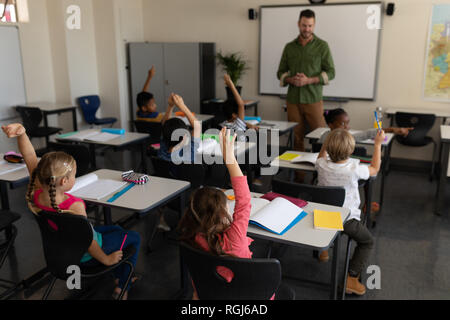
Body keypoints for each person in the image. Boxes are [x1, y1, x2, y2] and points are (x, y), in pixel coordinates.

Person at [1, 123, 141, 300]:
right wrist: (106, 259)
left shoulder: (37, 191)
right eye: (74, 175)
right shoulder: (75, 206)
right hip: (84, 257)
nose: (75, 177)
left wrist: (22, 134)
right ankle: (123, 286)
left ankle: (118, 274)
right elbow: (88, 240)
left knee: (118, 230)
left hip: (59, 253)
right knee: (134, 238)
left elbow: (29, 156)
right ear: (64, 181)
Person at [177, 127, 262, 300]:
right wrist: (230, 159)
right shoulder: (235, 237)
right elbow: (244, 200)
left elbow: (244, 201)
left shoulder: (191, 239)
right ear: (223, 213)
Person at [315, 128, 385, 296]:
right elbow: (375, 168)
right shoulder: (354, 168)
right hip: (346, 220)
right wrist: (377, 145)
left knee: (326, 222)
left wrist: (327, 142)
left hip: (322, 217)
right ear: (352, 150)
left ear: (327, 147)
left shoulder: (321, 164)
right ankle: (352, 278)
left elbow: (320, 156)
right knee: (367, 241)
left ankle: (323, 248)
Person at [277, 9, 335, 157]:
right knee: (296, 139)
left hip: (313, 100)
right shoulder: (289, 47)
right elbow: (280, 72)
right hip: (293, 101)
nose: (307, 29)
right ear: (298, 24)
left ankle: (321, 175)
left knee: (322, 138)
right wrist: (291, 79)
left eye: (310, 26)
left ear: (314, 25)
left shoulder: (322, 46)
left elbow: (331, 72)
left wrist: (309, 80)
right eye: (304, 25)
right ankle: (298, 176)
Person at [319, 108, 413, 143]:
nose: (347, 127)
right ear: (330, 125)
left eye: (347, 123)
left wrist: (392, 130)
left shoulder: (325, 136)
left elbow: (367, 133)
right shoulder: (345, 138)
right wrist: (392, 130)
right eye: (342, 124)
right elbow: (367, 134)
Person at [158, 93, 201, 164]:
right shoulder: (189, 153)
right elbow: (197, 126)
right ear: (185, 137)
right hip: (187, 175)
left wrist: (170, 106)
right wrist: (182, 106)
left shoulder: (162, 151)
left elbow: (164, 126)